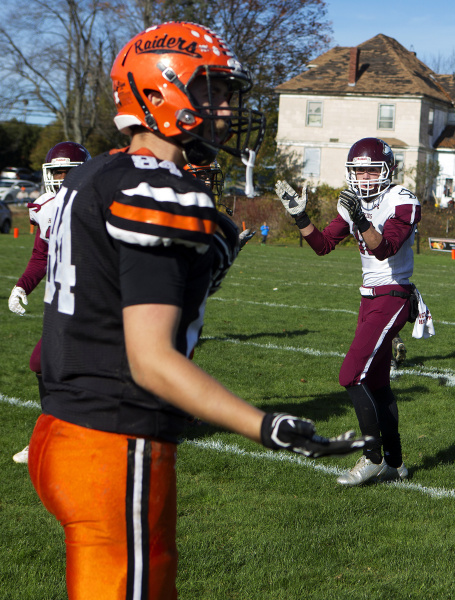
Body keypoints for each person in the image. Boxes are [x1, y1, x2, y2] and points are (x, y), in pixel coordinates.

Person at [29, 22, 369, 599]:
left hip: (58, 431)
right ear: (160, 92)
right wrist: (268, 426)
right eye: (209, 89)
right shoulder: (159, 191)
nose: (225, 108)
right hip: (113, 443)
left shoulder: (95, 174)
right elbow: (151, 359)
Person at [275, 136, 428, 486]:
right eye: (358, 170)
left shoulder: (400, 200)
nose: (364, 177)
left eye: (372, 170)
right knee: (376, 383)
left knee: (350, 374)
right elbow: (323, 245)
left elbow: (384, 248)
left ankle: (373, 457)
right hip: (368, 297)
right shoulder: (353, 202)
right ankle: (395, 464)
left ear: (387, 171)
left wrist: (360, 219)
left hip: (394, 294)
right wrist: (300, 216)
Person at [7, 141, 91, 463]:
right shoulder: (45, 208)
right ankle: (54, 435)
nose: (62, 177)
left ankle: (59, 438)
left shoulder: (101, 205)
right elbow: (41, 257)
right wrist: (21, 288)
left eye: (70, 171)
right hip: (61, 301)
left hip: (95, 301)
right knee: (42, 364)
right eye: (57, 171)